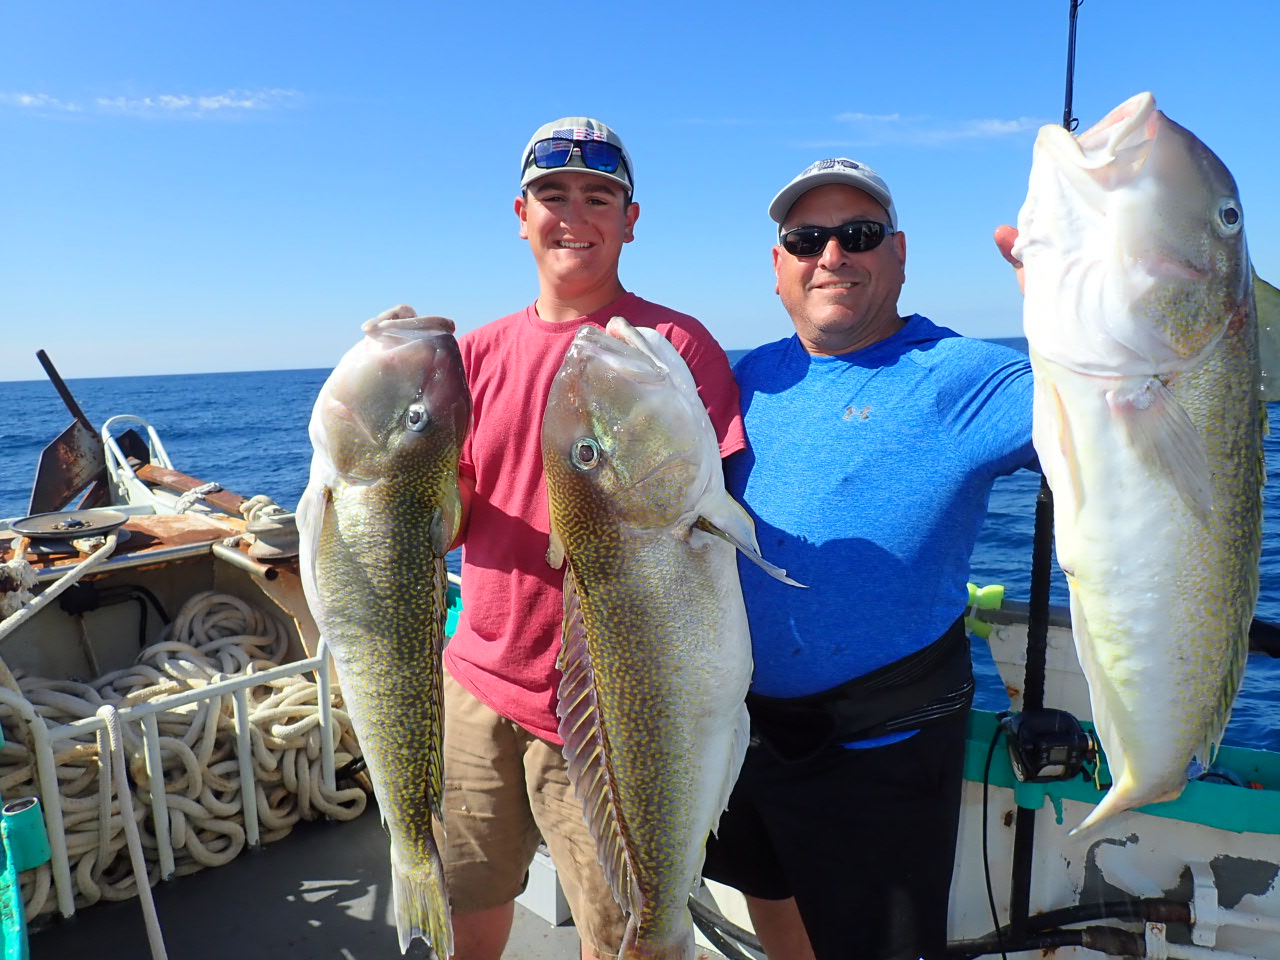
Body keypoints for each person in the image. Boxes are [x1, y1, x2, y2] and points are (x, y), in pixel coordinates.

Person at [700, 158, 1037, 960]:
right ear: (778, 264)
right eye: (806, 238)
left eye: (859, 235)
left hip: (881, 745)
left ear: (898, 253)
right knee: (768, 894)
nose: (832, 255)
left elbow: (1119, 419)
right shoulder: (743, 378)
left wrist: (1067, 311)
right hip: (738, 727)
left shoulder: (968, 375)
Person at [434, 117, 744, 960]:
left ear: (630, 219)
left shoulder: (670, 347)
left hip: (615, 707)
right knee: (468, 898)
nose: (574, 213)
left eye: (598, 197)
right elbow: (452, 514)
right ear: (520, 213)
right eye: (553, 195)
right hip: (478, 682)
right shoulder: (475, 354)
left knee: (625, 932)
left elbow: (713, 504)